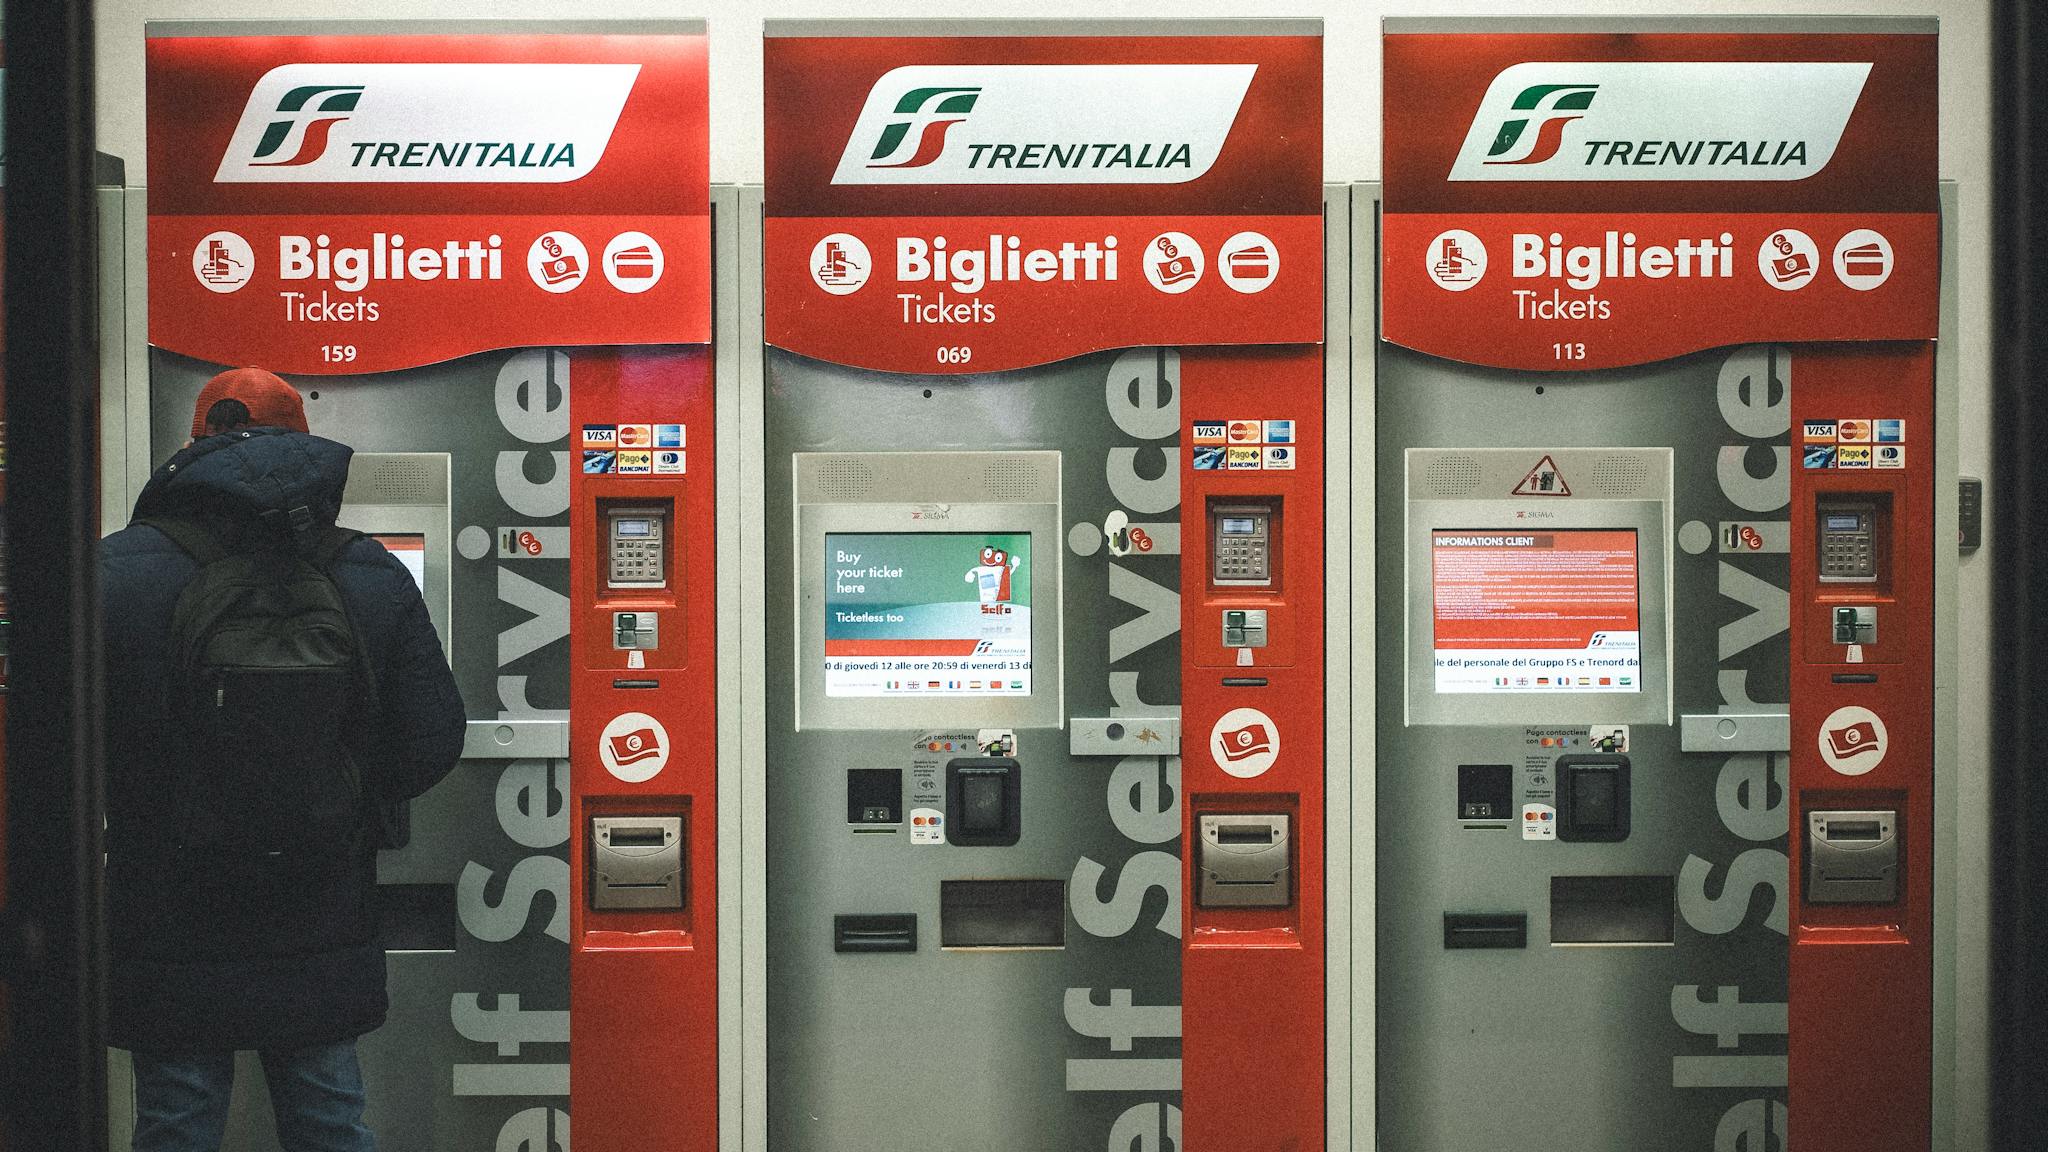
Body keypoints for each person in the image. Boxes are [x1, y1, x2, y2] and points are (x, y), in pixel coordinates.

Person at [99, 367, 465, 1152]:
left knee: (177, 1121)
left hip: (169, 907)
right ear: (304, 446)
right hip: (319, 903)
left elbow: (64, 744)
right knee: (329, 1119)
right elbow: (432, 738)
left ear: (192, 446)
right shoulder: (367, 571)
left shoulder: (115, 572)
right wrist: (341, 798)